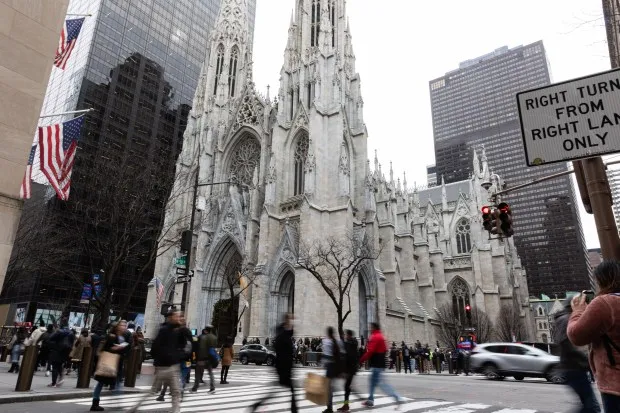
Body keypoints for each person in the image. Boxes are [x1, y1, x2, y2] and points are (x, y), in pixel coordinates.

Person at [568, 260, 620, 412]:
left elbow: (576, 336)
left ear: (602, 280)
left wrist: (578, 311)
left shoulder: (605, 303)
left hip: (615, 381)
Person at [128, 311, 185, 413]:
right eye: (177, 317)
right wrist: (161, 360)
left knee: (175, 393)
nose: (179, 319)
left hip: (172, 367)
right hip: (163, 367)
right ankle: (134, 408)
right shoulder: (164, 330)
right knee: (154, 391)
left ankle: (175, 411)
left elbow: (182, 346)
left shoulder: (177, 331)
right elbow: (155, 348)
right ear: (171, 318)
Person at [554, 297, 601, 413]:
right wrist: (586, 361)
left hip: (575, 368)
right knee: (592, 407)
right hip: (573, 368)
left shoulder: (566, 318)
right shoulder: (565, 319)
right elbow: (565, 343)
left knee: (589, 406)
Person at [251, 313, 297, 413]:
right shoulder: (282, 336)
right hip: (283, 367)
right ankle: (257, 405)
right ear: (286, 321)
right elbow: (284, 347)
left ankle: (256, 405)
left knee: (278, 391)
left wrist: (290, 325)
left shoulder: (283, 334)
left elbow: (289, 335)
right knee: (287, 391)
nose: (291, 321)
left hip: (284, 367)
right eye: (289, 319)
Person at [359, 323, 402, 408]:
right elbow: (385, 349)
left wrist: (361, 360)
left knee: (382, 385)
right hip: (379, 364)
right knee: (372, 382)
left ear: (374, 327)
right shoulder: (381, 336)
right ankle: (370, 400)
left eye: (371, 327)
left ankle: (397, 397)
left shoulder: (375, 336)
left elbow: (370, 351)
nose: (370, 329)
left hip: (376, 364)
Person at [89, 322, 129, 411]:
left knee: (113, 382)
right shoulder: (111, 336)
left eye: (125, 326)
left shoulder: (121, 337)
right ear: (117, 327)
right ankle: (95, 403)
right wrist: (115, 348)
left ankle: (114, 402)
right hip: (109, 364)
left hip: (115, 364)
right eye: (122, 325)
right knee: (101, 383)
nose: (124, 327)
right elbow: (106, 349)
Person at [190, 325, 217, 394]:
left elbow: (200, 348)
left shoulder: (202, 337)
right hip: (210, 359)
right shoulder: (214, 337)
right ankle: (212, 388)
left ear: (205, 330)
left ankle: (195, 388)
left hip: (202, 358)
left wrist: (196, 358)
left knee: (198, 373)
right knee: (210, 373)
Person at [47, 321, 74, 387]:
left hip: (57, 350)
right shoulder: (71, 333)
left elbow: (50, 338)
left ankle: (54, 383)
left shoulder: (59, 331)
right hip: (66, 352)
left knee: (55, 366)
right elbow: (72, 343)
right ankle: (61, 378)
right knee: (59, 364)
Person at [337, 329, 359, 412]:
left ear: (349, 335)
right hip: (352, 369)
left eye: (346, 334)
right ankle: (346, 404)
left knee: (347, 387)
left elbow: (347, 358)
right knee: (347, 387)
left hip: (349, 369)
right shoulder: (354, 344)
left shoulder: (348, 344)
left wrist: (344, 371)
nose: (345, 336)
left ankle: (346, 405)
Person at [323, 326, 343, 413]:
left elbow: (326, 356)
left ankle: (329, 408)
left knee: (329, 388)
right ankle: (333, 405)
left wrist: (321, 364)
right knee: (332, 388)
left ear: (328, 333)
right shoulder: (337, 341)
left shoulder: (327, 342)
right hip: (335, 367)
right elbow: (341, 353)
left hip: (330, 367)